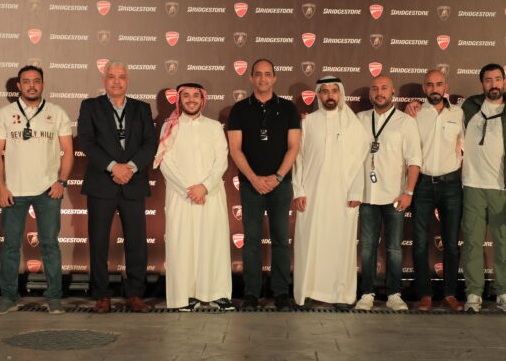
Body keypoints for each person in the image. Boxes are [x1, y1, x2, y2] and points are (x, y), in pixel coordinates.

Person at [0, 66, 74, 315]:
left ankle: (54, 298)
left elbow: (69, 151)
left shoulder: (57, 112)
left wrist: (61, 182)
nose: (31, 85)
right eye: (26, 81)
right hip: (13, 191)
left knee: (50, 245)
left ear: (43, 84)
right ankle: (9, 297)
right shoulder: (4, 114)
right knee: (10, 246)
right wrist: (1, 187)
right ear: (19, 86)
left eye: (36, 81)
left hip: (48, 190)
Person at [78, 62, 158, 312]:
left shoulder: (141, 108)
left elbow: (150, 144)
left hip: (133, 183)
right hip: (102, 183)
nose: (116, 81)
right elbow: (87, 142)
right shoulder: (90, 106)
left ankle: (134, 294)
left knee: (137, 243)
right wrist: (113, 167)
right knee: (99, 242)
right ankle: (102, 295)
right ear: (104, 80)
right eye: (111, 76)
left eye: (121, 77)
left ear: (127, 80)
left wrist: (130, 168)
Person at [226, 58, 301, 310]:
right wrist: (254, 179)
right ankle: (251, 294)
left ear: (274, 78)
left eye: (267, 74)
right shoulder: (239, 110)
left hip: (281, 184)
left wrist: (277, 177)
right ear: (251, 78)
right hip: (251, 185)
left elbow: (294, 147)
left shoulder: (288, 108)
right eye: (258, 74)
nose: (262, 78)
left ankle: (281, 293)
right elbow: (235, 149)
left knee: (280, 240)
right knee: (251, 240)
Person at [460, 63, 506, 314]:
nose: (494, 84)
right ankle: (473, 293)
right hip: (473, 185)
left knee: (504, 244)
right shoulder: (468, 108)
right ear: (482, 83)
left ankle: (504, 292)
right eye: (488, 80)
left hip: (505, 188)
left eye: (498, 79)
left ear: (504, 82)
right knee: (472, 242)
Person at [154, 83, 234, 311]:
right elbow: (164, 162)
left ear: (202, 99)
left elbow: (221, 161)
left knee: (213, 244)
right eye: (186, 96)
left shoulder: (214, 127)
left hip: (211, 195)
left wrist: (204, 187)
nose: (191, 99)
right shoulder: (170, 126)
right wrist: (188, 189)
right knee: (183, 246)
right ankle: (185, 296)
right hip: (181, 197)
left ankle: (217, 293)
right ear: (179, 100)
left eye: (195, 96)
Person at [292, 76, 367, 307]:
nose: (330, 95)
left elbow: (361, 160)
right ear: (318, 95)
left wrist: (356, 191)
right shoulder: (308, 122)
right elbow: (298, 159)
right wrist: (298, 190)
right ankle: (308, 291)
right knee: (310, 242)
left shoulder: (353, 124)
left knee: (340, 244)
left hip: (343, 195)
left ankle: (341, 295)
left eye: (334, 91)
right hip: (312, 194)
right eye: (325, 91)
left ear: (340, 93)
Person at [355, 75, 421, 311]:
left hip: (395, 196)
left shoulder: (406, 122)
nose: (379, 92)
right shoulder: (360, 119)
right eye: (375, 88)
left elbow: (414, 161)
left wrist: (408, 192)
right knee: (367, 247)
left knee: (394, 248)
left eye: (384, 88)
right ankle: (366, 293)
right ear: (370, 93)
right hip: (367, 195)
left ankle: (394, 293)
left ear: (393, 92)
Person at [405, 69, 465, 311]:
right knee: (420, 242)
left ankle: (450, 294)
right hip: (422, 183)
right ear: (424, 88)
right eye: (429, 85)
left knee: (451, 242)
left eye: (439, 84)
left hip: (451, 183)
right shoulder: (415, 113)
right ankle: (425, 295)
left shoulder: (459, 113)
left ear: (445, 86)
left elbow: (465, 146)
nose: (434, 89)